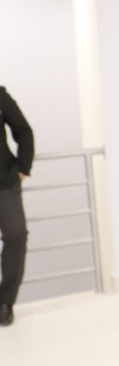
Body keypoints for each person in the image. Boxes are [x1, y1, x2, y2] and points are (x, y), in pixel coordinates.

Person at [0, 86, 34, 327]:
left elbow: (23, 131)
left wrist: (23, 167)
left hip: (4, 182)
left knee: (16, 235)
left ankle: (5, 302)